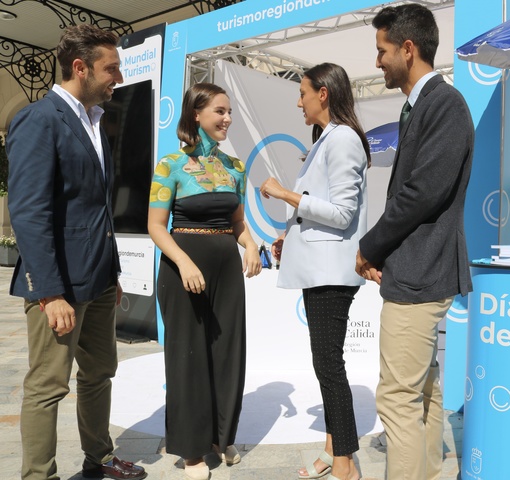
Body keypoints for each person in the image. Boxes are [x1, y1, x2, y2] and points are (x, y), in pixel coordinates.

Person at [6, 24, 146, 480]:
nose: (119, 78)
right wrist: (49, 292)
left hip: (100, 280)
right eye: (112, 68)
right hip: (60, 286)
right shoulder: (39, 119)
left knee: (99, 374)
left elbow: (96, 209)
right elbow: (28, 213)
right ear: (80, 68)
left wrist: (112, 270)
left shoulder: (96, 122)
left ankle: (99, 460)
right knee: (48, 386)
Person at [355, 4, 475, 480]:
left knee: (396, 398)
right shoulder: (422, 106)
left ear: (408, 48)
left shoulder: (444, 103)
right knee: (422, 392)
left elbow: (421, 194)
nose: (377, 62)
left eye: (382, 51)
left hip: (421, 273)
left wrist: (370, 246)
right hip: (419, 270)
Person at [259, 62, 369, 480]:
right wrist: (291, 235)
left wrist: (285, 194)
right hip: (321, 268)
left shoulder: (342, 140)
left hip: (332, 273)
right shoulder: (328, 139)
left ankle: (344, 464)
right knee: (326, 363)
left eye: (302, 93)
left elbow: (341, 214)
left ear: (323, 93)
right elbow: (322, 207)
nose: (298, 102)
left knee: (328, 365)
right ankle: (332, 450)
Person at [147, 82, 261, 480]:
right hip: (183, 271)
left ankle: (220, 437)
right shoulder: (170, 164)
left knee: (227, 352)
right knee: (188, 357)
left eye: (229, 111)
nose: (227, 118)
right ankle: (191, 451)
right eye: (219, 111)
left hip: (227, 271)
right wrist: (183, 263)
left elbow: (238, 223)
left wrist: (249, 245)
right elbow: (156, 227)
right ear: (196, 114)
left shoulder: (235, 167)